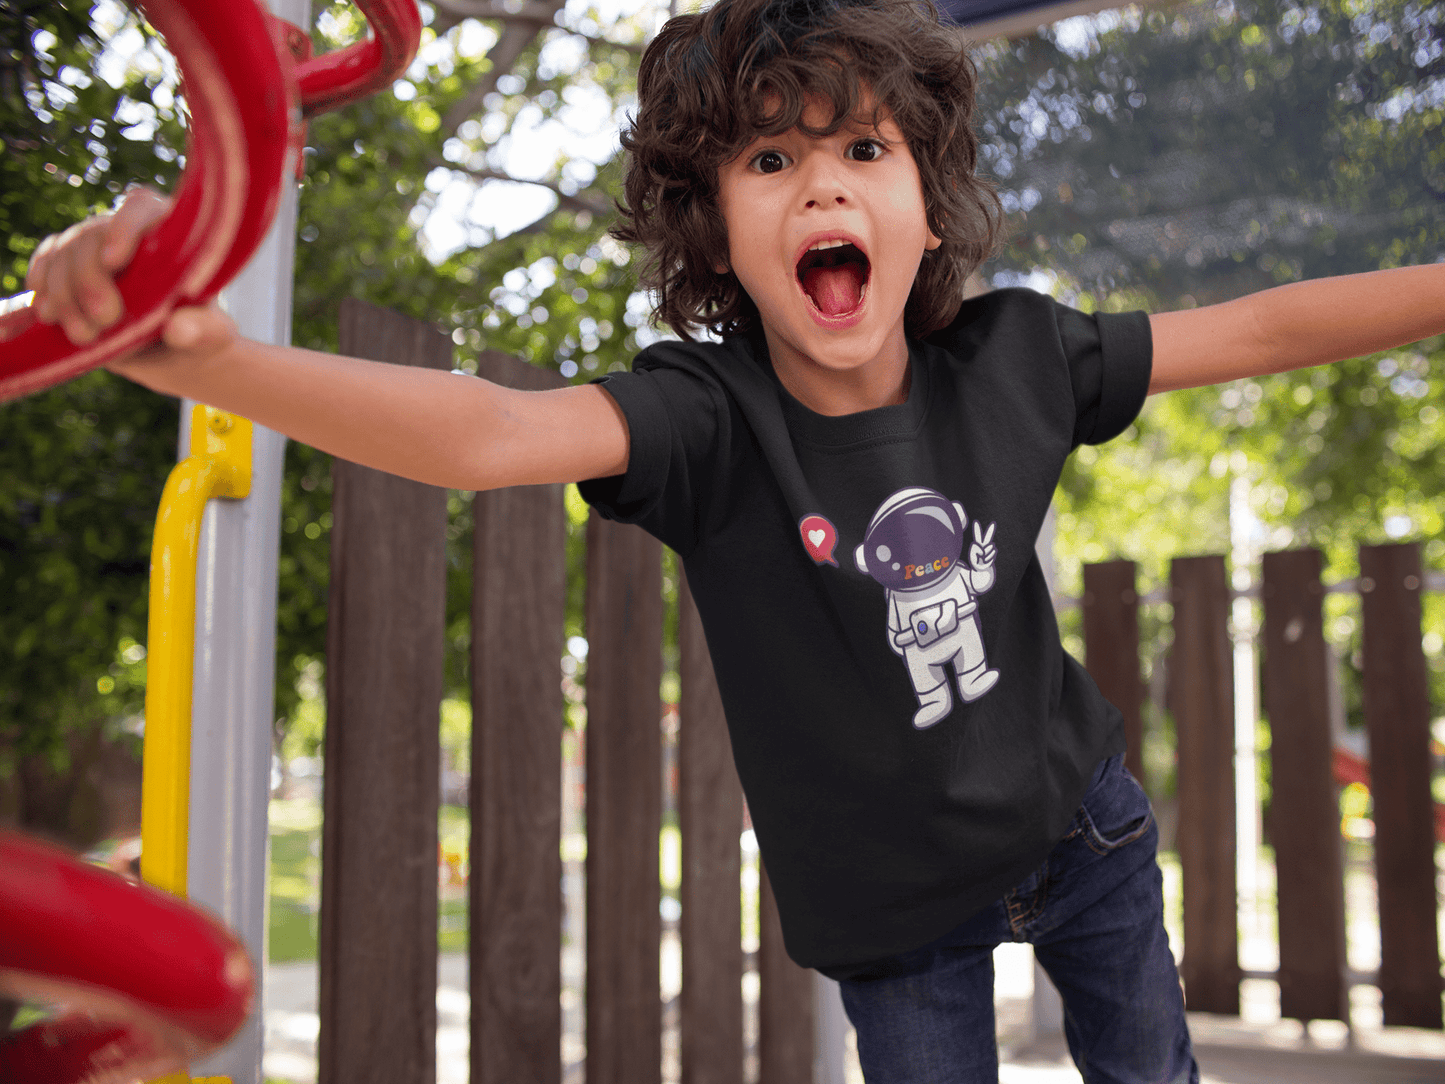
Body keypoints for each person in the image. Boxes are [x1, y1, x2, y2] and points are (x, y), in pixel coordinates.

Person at [24, 0, 1445, 1079]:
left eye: (864, 149)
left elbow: (1262, 328)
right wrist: (200, 359)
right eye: (774, 157)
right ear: (716, 229)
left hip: (1082, 829)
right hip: (893, 907)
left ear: (924, 204)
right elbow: (484, 437)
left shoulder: (1021, 356)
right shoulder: (707, 419)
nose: (825, 187)